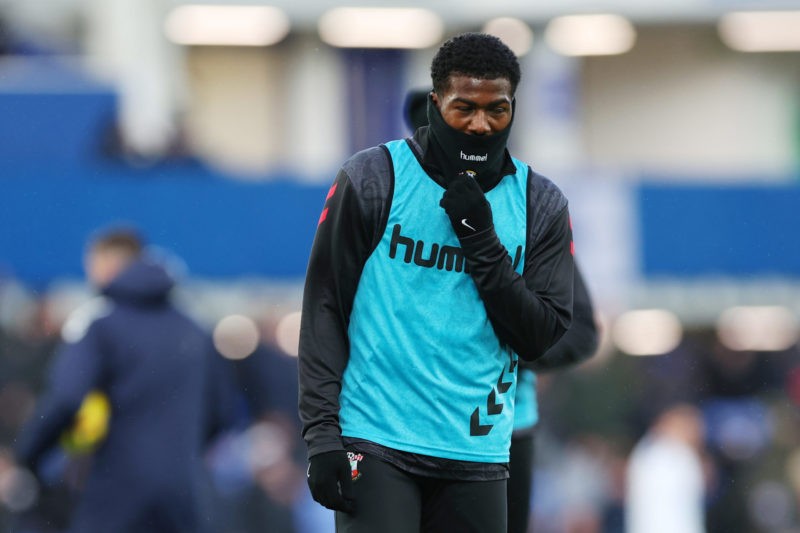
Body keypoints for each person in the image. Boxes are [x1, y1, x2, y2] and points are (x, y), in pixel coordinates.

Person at [299, 32, 575, 532]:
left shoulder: (541, 204)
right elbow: (324, 308)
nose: (480, 123)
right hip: (376, 439)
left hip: (478, 452)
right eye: (462, 108)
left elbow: (539, 337)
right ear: (434, 104)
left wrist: (479, 237)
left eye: (497, 110)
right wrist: (321, 436)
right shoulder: (373, 178)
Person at [404, 84, 600, 533]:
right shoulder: (397, 209)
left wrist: (512, 347)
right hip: (406, 427)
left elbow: (580, 330)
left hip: (503, 432)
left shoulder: (528, 213)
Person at [13, 227, 234, 533]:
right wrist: (176, 452)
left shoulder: (101, 324)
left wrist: (27, 456)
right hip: (183, 494)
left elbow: (66, 399)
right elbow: (223, 412)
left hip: (114, 492)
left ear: (107, 266)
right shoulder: (193, 330)